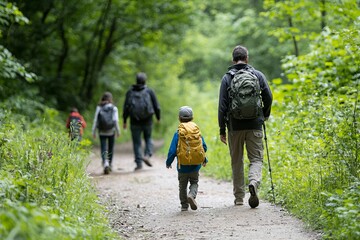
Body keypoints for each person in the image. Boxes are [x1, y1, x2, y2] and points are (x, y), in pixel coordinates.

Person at [218, 45, 273, 208]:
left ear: (233, 59)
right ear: (247, 58)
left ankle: (239, 198)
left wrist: (222, 129)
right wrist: (265, 114)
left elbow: (222, 106)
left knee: (237, 161)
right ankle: (254, 182)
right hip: (255, 124)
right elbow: (269, 96)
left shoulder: (227, 78)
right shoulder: (257, 75)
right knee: (256, 158)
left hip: (234, 126)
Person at [166, 106, 208, 212]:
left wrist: (169, 162)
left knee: (182, 186)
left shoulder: (178, 133)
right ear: (192, 118)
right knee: (194, 182)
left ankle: (184, 205)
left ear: (179, 118)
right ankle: (192, 196)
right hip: (195, 166)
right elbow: (203, 147)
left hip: (182, 166)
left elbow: (172, 150)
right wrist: (204, 159)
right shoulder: (196, 131)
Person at [123, 72, 160, 171]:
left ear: (136, 80)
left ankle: (139, 163)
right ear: (145, 80)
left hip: (134, 121)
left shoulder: (130, 92)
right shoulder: (149, 91)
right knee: (148, 138)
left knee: (136, 142)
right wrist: (158, 117)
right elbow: (157, 106)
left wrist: (124, 120)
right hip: (147, 120)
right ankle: (147, 155)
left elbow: (126, 107)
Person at [92, 92, 120, 174]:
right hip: (111, 131)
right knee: (111, 148)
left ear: (102, 99)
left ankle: (105, 163)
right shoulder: (114, 108)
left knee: (103, 148)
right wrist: (118, 131)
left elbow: (96, 120)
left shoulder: (99, 107)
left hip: (102, 131)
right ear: (111, 99)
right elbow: (115, 121)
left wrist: (93, 131)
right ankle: (110, 164)